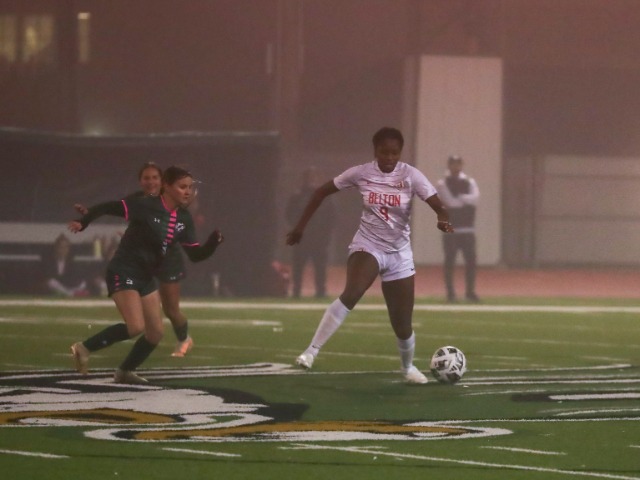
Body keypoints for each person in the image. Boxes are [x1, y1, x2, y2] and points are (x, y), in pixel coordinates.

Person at [286, 127, 453, 384]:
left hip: (399, 254)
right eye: (384, 152)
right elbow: (320, 192)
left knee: (402, 324)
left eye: (394, 153)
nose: (389, 157)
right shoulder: (361, 173)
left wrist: (442, 219)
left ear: (400, 152)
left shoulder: (410, 175)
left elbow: (439, 206)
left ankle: (408, 368)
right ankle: (311, 351)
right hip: (368, 245)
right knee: (352, 293)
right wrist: (300, 227)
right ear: (375, 151)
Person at [68, 166, 224, 384]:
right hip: (124, 269)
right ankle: (84, 348)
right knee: (135, 327)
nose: (188, 192)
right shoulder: (146, 205)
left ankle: (124, 372)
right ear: (166, 186)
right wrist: (84, 222)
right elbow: (109, 207)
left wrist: (212, 244)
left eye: (190, 187)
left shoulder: (184, 218)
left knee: (155, 333)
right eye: (182, 187)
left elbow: (195, 255)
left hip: (146, 276)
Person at [75, 162, 196, 357]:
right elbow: (113, 207)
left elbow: (185, 215)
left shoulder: (174, 198)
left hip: (168, 259)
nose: (151, 182)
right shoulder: (137, 200)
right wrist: (88, 214)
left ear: (164, 182)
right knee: (143, 324)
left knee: (171, 310)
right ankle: (129, 357)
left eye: (155, 178)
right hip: (142, 261)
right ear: (140, 181)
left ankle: (184, 338)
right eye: (146, 178)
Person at [286, 166, 335, 298]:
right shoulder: (297, 197)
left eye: (313, 177)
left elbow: (331, 217)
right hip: (302, 237)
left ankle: (320, 291)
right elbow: (289, 215)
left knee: (320, 266)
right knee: (298, 266)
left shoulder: (324, 197)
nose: (311, 180)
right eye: (308, 177)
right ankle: (296, 291)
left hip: (318, 238)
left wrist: (325, 234)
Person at [436, 155, 480, 303]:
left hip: (468, 229)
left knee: (471, 262)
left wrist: (462, 198)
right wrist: (466, 199)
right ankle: (451, 294)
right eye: (453, 164)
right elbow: (450, 202)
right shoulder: (443, 183)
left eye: (458, 164)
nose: (456, 167)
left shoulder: (470, 181)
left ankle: (470, 292)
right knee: (450, 262)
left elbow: (475, 199)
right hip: (451, 229)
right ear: (449, 166)